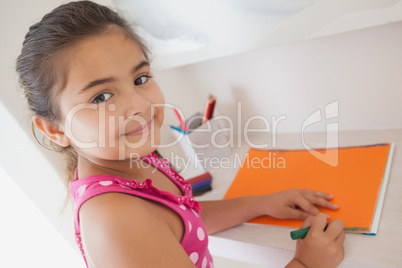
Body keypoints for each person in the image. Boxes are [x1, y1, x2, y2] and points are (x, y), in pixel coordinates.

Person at [16, 1, 345, 267]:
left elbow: (185, 218)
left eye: (140, 78)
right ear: (53, 129)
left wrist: (260, 202)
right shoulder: (114, 219)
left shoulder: (136, 161)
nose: (139, 104)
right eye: (101, 96)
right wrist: (307, 265)